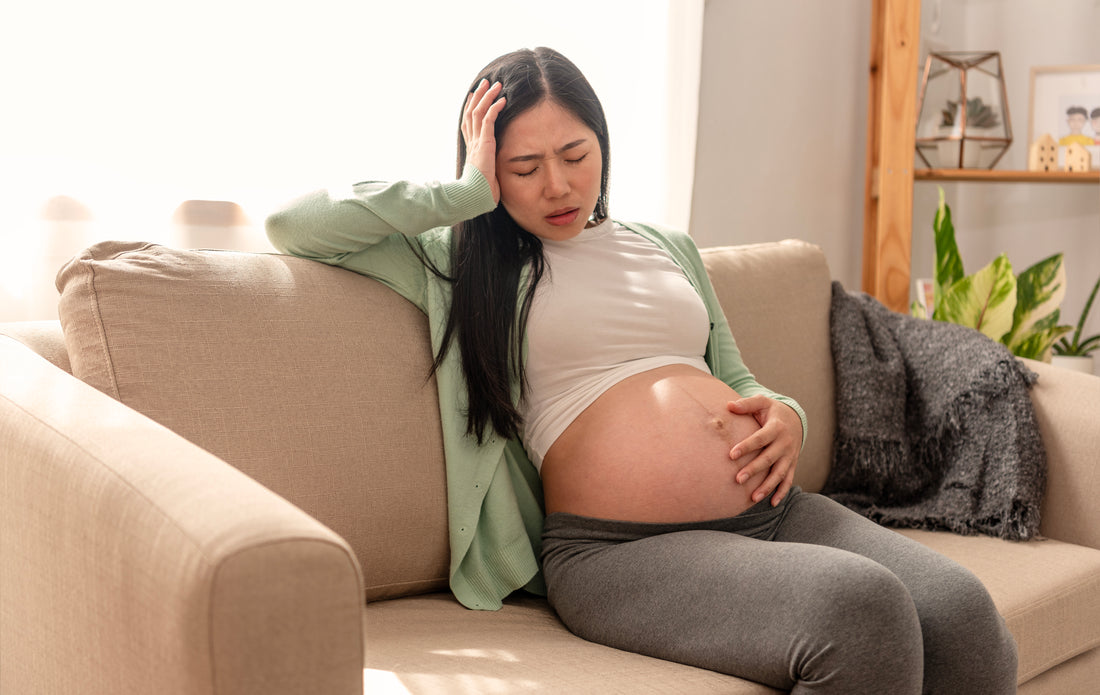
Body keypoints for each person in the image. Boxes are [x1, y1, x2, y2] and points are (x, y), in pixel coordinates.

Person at [266, 46, 1017, 694]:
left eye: (575, 154)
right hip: (617, 549)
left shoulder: (664, 245)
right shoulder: (460, 263)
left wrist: (787, 414)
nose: (557, 186)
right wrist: (460, 196)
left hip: (774, 510)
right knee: (859, 610)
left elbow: (740, 378)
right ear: (490, 166)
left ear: (603, 143)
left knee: (962, 613)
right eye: (524, 167)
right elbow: (295, 226)